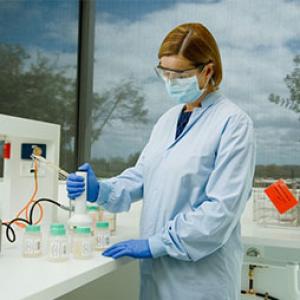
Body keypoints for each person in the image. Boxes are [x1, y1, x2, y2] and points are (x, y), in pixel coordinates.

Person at [67, 23, 256, 300]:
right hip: (158, 274)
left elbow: (221, 210)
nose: (170, 81)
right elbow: (143, 175)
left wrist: (157, 243)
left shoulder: (234, 123)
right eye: (164, 72)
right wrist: (101, 190)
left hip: (201, 280)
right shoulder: (168, 120)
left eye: (179, 75)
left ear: (208, 70)